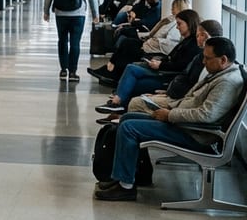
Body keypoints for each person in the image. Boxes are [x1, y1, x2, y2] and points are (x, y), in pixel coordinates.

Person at [96, 37, 245, 201]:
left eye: (208, 58)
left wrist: (169, 115)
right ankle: (132, 175)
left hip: (196, 134)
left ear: (223, 60)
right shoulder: (221, 74)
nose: (203, 62)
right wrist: (170, 108)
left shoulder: (227, 83)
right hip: (185, 125)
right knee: (128, 118)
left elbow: (206, 115)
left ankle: (125, 187)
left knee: (129, 128)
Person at [94, 9, 202, 113]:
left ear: (189, 24)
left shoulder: (192, 45)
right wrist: (159, 62)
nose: (177, 28)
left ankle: (117, 102)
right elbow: (173, 58)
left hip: (168, 75)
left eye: (179, 24)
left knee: (132, 70)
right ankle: (118, 103)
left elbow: (181, 65)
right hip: (166, 71)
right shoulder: (186, 41)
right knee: (132, 66)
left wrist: (161, 65)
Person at [43, 0, 99, 81]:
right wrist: (96, 14)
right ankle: (73, 72)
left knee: (62, 41)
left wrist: (46, 11)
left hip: (60, 13)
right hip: (78, 14)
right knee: (75, 43)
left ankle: (63, 70)